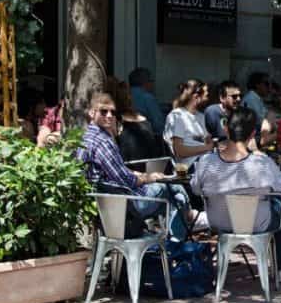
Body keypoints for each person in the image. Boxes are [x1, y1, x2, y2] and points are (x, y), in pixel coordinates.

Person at [191, 108, 281, 284]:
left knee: (276, 202)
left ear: (226, 129)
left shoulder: (206, 162)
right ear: (253, 133)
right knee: (279, 203)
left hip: (219, 222)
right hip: (256, 223)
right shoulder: (261, 163)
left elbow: (195, 189)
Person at [78, 92, 196, 225]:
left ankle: (179, 232)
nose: (110, 116)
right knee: (174, 189)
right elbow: (124, 179)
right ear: (92, 113)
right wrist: (149, 178)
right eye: (104, 112)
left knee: (174, 201)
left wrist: (144, 174)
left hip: (110, 203)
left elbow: (117, 171)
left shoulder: (87, 137)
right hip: (126, 203)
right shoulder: (103, 142)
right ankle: (190, 221)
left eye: (112, 112)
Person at [106, 77, 165, 162]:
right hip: (150, 169)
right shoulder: (143, 119)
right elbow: (159, 127)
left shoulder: (115, 122)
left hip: (128, 171)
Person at [163, 79, 215, 168]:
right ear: (196, 97)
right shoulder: (177, 116)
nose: (208, 99)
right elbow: (180, 151)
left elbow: (209, 141)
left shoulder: (201, 116)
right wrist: (208, 147)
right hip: (189, 165)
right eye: (206, 96)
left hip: (206, 159)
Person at [128, 67, 166, 135]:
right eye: (151, 81)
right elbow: (159, 125)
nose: (153, 84)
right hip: (145, 140)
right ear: (145, 82)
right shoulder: (147, 98)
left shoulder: (124, 96)